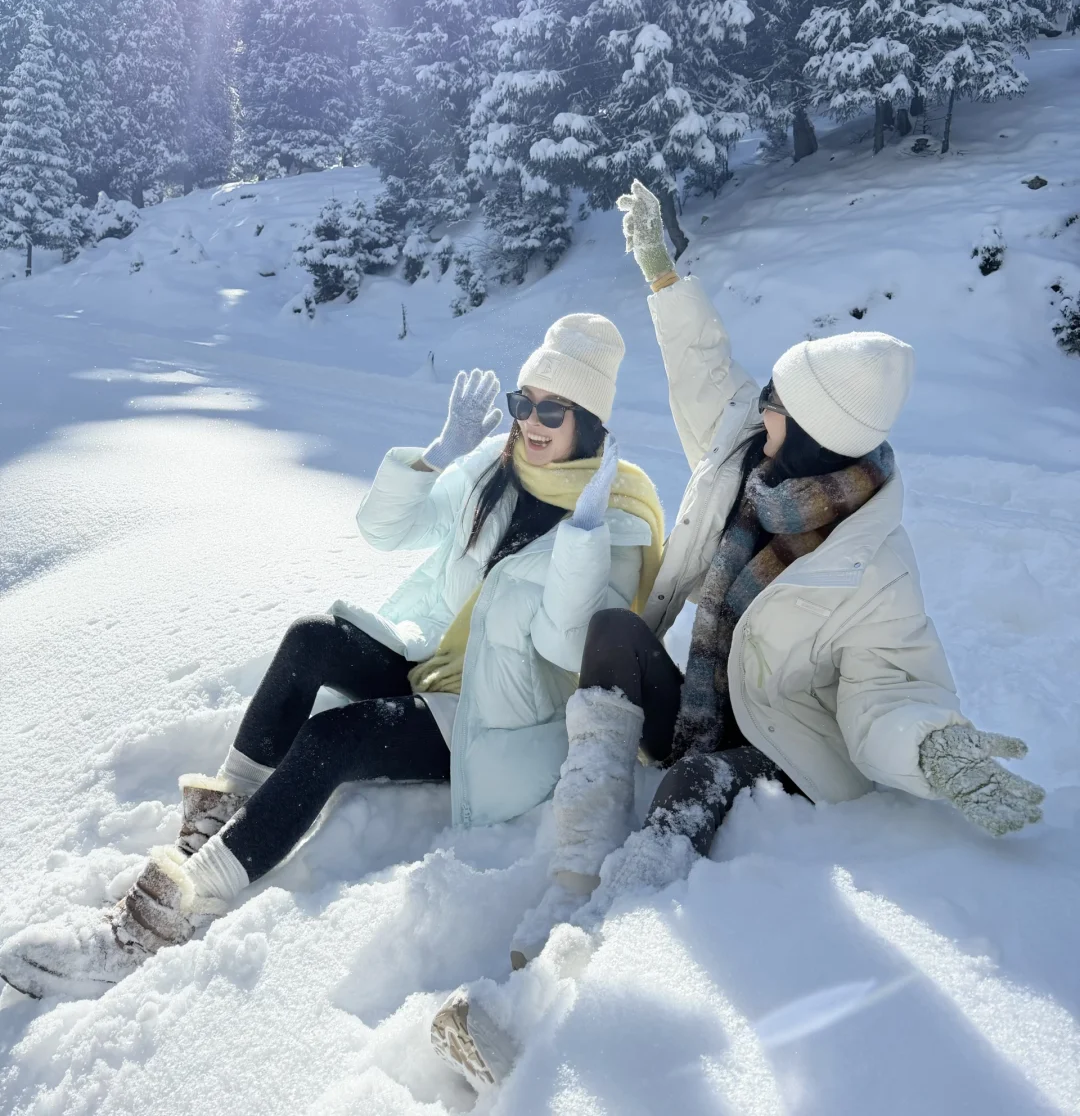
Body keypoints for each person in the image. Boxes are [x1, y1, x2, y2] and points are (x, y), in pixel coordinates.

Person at [430, 181, 1045, 1089]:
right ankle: (567, 887)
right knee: (611, 633)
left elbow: (889, 698)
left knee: (699, 775)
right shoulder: (742, 458)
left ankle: (548, 999)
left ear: (815, 439)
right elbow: (705, 369)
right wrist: (664, 275)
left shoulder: (874, 564)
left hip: (783, 753)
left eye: (777, 407)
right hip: (705, 707)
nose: (759, 409)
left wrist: (935, 747)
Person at [0, 313, 664, 1001]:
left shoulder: (612, 518)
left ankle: (161, 918)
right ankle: (216, 824)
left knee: (332, 738)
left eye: (549, 409)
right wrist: (438, 456)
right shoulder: (502, 469)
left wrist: (582, 536)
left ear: (587, 418)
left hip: (493, 714)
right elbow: (386, 528)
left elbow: (567, 647)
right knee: (310, 640)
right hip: (435, 662)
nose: (530, 422)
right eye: (522, 403)